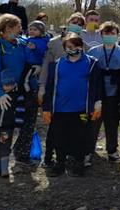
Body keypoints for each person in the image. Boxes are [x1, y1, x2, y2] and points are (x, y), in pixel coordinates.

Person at [42, 34, 102, 177]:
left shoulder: (92, 63)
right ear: (64, 48)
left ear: (82, 46)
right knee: (60, 137)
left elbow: (97, 85)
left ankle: (78, 163)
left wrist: (98, 103)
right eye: (69, 47)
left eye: (76, 46)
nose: (73, 49)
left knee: (80, 137)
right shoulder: (57, 64)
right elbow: (50, 87)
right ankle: (60, 163)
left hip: (81, 109)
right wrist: (46, 108)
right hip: (60, 109)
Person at [0, 14, 37, 174]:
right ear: (7, 29)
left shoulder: (21, 43)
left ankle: (21, 158)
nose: (20, 30)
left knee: (25, 123)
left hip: (23, 91)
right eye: (17, 28)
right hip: (5, 95)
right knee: (0, 126)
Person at [38, 12, 85, 167]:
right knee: (54, 129)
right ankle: (49, 156)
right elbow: (46, 66)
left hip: (76, 97)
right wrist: (42, 87)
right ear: (68, 21)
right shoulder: (53, 42)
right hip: (56, 94)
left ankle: (71, 156)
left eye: (79, 23)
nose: (76, 24)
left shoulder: (83, 44)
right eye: (74, 21)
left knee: (75, 129)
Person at [87, 22, 120, 163]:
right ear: (101, 35)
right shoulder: (93, 51)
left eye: (113, 33)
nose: (109, 36)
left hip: (115, 94)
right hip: (96, 95)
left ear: (117, 35)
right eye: (106, 33)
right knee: (93, 123)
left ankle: (112, 150)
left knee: (112, 123)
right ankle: (88, 150)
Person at [24, 20, 49, 92]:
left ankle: (35, 90)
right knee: (28, 77)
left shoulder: (43, 41)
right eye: (30, 29)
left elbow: (43, 53)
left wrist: (35, 48)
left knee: (33, 78)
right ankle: (31, 90)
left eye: (35, 30)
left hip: (37, 64)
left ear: (41, 31)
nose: (32, 31)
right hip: (29, 63)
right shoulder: (29, 39)